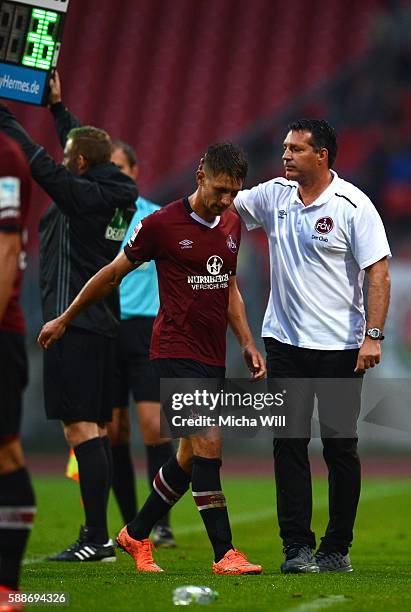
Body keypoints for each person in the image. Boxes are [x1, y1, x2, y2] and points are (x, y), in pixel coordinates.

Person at [38, 142, 266, 575]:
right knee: (209, 443)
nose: (226, 201)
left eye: (234, 193)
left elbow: (230, 286)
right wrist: (65, 317)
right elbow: (111, 274)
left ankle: (136, 532)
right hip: (174, 349)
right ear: (201, 176)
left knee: (185, 456)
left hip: (211, 354)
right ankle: (225, 554)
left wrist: (246, 341)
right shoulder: (160, 224)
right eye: (220, 190)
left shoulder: (232, 224)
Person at [233, 119, 391, 573]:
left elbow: (377, 273)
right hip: (284, 342)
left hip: (342, 348)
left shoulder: (353, 205)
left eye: (296, 149)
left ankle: (336, 548)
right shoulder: (272, 195)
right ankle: (296, 548)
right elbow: (224, 205)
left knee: (340, 447)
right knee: (289, 442)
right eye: (284, 147)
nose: (285, 155)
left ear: (321, 156)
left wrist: (372, 336)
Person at [0, 100, 138, 563]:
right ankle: (96, 535)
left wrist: (4, 120)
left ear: (79, 164)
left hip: (71, 325)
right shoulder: (114, 191)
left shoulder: (80, 197)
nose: (63, 161)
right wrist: (59, 109)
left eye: (70, 157)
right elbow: (80, 153)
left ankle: (96, 538)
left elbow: (41, 163)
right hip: (100, 327)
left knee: (81, 431)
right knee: (94, 429)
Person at [109, 140, 176, 547]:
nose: (115, 173)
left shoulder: (155, 217)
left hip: (147, 329)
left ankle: (160, 520)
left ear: (134, 170)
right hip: (107, 329)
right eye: (108, 166)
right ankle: (130, 521)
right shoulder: (100, 216)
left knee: (153, 426)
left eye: (120, 166)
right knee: (114, 430)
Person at [0, 131, 35, 607]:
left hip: (2, 329)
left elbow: (8, 249)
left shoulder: (5, 156)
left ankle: (8, 586)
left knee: (5, 451)